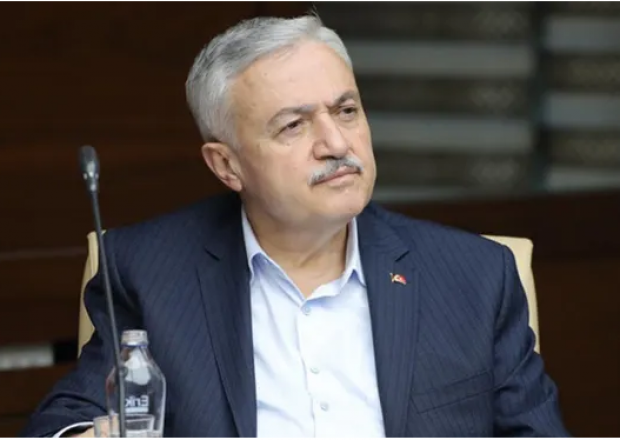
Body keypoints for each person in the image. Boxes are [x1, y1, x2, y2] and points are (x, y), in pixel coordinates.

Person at [22, 13, 569, 437]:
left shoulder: (475, 276)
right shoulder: (151, 273)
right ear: (227, 165)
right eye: (293, 125)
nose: (336, 143)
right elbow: (65, 422)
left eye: (346, 111)